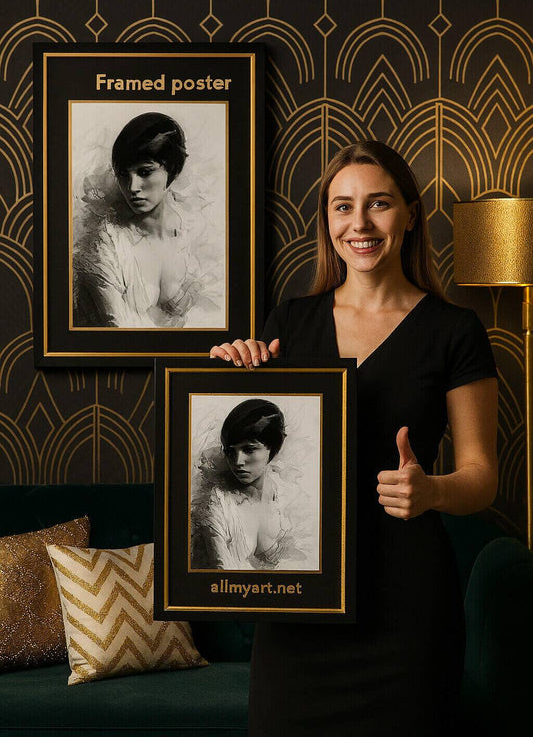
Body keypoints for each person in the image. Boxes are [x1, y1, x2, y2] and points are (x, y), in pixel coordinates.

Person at [210, 141, 498, 736]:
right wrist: (231, 377)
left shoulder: (455, 330)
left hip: (406, 609)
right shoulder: (289, 323)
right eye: (343, 207)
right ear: (327, 221)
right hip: (300, 605)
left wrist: (432, 491)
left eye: (379, 204)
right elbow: (256, 439)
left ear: (410, 215)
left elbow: (482, 476)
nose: (359, 223)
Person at [73, 111, 209, 327]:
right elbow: (120, 331)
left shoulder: (195, 233)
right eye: (123, 175)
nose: (132, 187)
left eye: (145, 172)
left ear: (172, 170)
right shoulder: (106, 247)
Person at [191, 398, 317, 571]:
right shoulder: (216, 505)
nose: (238, 461)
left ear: (272, 449)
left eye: (249, 449)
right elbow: (222, 572)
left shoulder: (289, 498)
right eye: (230, 452)